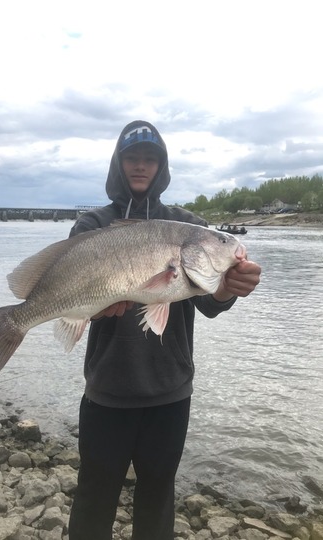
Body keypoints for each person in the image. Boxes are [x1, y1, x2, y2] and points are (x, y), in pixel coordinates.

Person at [68, 120, 261, 540]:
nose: (140, 166)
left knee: (157, 497)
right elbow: (76, 296)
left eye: (150, 159)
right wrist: (97, 308)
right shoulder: (92, 226)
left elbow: (209, 303)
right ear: (118, 164)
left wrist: (229, 288)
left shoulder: (188, 226)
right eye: (132, 158)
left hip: (170, 393)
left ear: (161, 166)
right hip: (106, 390)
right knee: (94, 496)